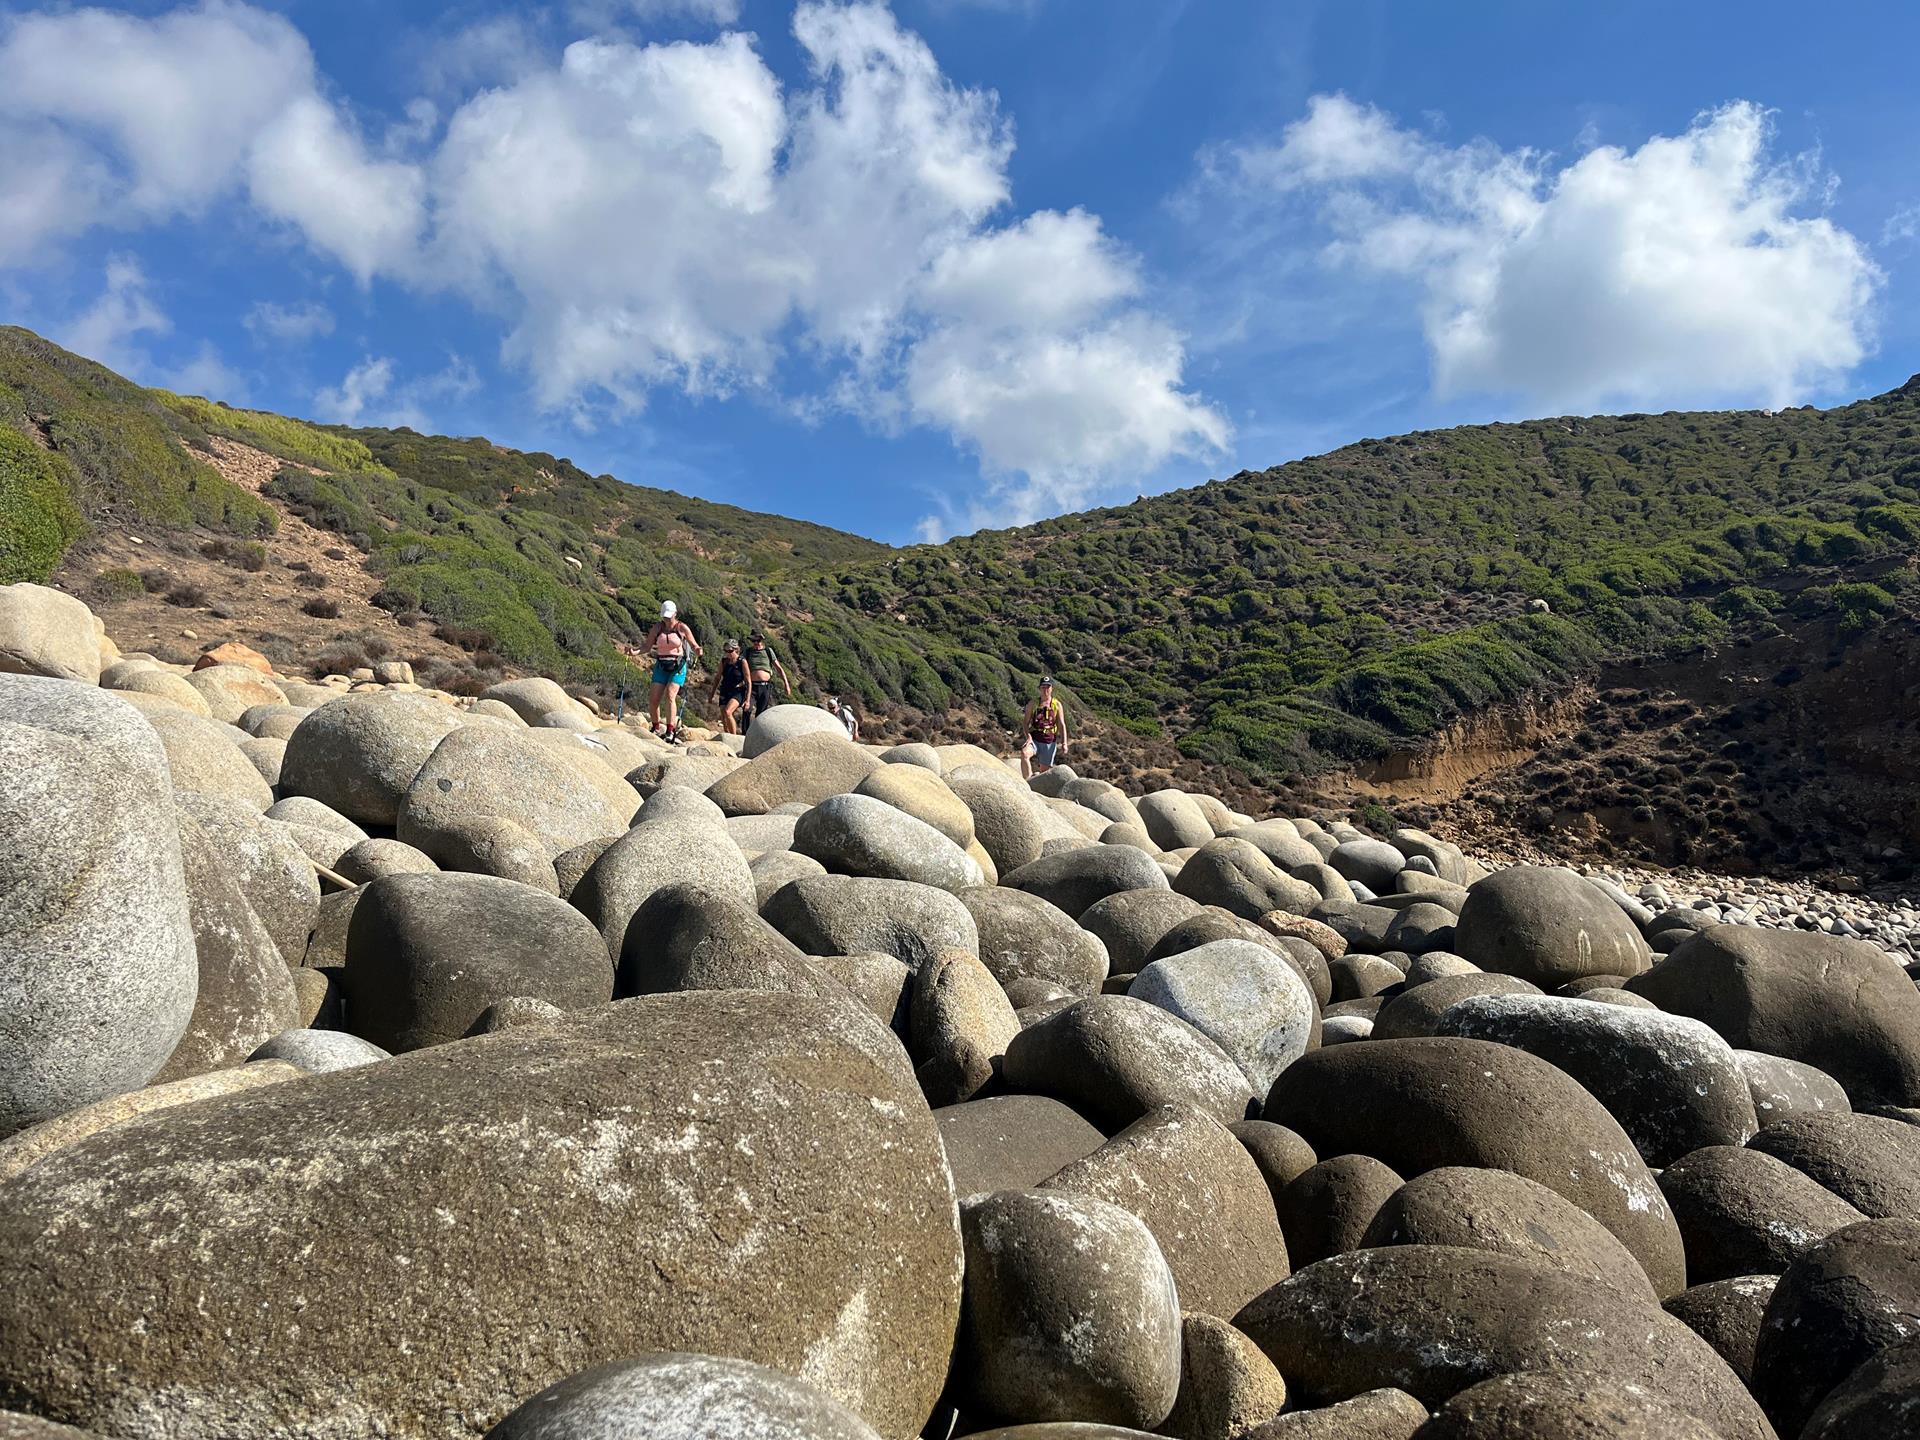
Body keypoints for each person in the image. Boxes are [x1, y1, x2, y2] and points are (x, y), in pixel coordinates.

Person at [644, 600, 702, 742]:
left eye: (669, 616)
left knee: (670, 695)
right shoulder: (657, 628)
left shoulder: (682, 628)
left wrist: (698, 650)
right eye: (665, 616)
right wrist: (633, 652)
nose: (667, 619)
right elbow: (646, 647)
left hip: (678, 667)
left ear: (675, 614)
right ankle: (656, 727)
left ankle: (670, 730)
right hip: (661, 666)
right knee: (654, 699)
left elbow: (693, 644)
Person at [741, 628, 794, 725]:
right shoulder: (748, 651)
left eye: (758, 640)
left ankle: (757, 732)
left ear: (761, 640)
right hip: (751, 686)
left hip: (765, 686)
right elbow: (740, 664)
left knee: (761, 713)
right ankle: (745, 732)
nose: (756, 643)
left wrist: (786, 684)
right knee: (747, 709)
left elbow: (779, 668)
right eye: (753, 641)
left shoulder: (768, 651)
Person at [1021, 676, 1068, 779]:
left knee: (1044, 772)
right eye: (1043, 687)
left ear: (1051, 688)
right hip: (1035, 739)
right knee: (1025, 754)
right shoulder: (1033, 704)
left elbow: (1061, 724)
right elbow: (1025, 723)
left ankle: (1036, 785)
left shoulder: (1057, 705)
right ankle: (1027, 781)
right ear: (1039, 688)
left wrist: (1064, 743)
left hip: (1049, 741)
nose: (1045, 689)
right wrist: (1028, 737)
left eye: (1048, 687)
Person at [709, 639, 753, 735]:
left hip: (737, 691)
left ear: (736, 650)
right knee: (724, 716)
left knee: (728, 712)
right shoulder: (724, 661)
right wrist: (712, 694)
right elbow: (717, 678)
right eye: (725, 651)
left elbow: (748, 681)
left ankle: (734, 737)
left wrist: (748, 700)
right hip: (725, 690)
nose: (728, 653)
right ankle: (727, 735)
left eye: (730, 651)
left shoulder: (742, 661)